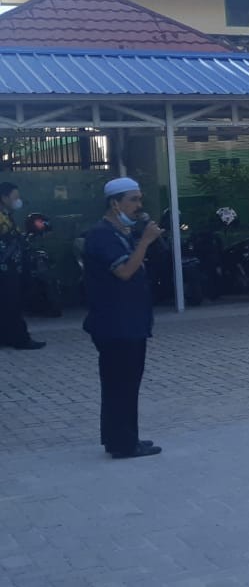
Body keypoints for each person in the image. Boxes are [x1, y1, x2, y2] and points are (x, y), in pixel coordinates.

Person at [82, 177, 162, 459]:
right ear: (115, 203)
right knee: (121, 384)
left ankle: (122, 438)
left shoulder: (121, 232)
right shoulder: (102, 235)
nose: (139, 206)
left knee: (126, 384)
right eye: (133, 200)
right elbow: (125, 272)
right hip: (116, 324)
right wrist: (146, 241)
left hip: (129, 322)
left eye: (140, 199)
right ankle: (123, 443)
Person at [1, 181, 44, 350]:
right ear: (4, 197)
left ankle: (9, 337)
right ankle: (19, 339)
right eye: (15, 197)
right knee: (11, 304)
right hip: (5, 270)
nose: (18, 200)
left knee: (8, 304)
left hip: (11, 268)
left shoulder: (6, 215)